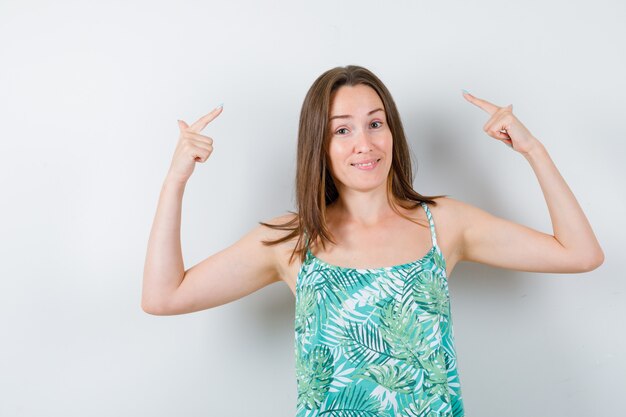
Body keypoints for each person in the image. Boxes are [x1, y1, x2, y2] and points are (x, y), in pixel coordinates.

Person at [141, 65, 604, 416]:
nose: (364, 143)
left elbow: (581, 254)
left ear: (392, 131)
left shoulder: (446, 223)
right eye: (342, 129)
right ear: (318, 145)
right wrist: (176, 180)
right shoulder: (290, 241)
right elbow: (163, 296)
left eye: (375, 123)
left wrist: (532, 150)